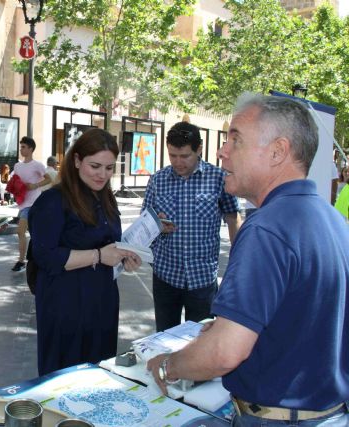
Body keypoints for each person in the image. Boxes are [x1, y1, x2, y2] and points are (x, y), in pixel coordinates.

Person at [147, 93, 349, 426]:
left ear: (277, 151)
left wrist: (168, 365)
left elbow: (226, 352)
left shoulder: (266, 228)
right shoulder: (333, 220)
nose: (222, 151)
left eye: (235, 140)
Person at [30, 129, 142, 376]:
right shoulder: (53, 201)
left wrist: (125, 256)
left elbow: (110, 243)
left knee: (97, 373)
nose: (103, 175)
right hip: (65, 303)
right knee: (64, 377)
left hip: (102, 299)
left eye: (110, 168)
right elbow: (46, 257)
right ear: (77, 160)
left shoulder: (106, 197)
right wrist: (99, 256)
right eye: (95, 166)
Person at [142, 121, 240, 332]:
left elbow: (233, 219)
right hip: (165, 275)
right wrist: (156, 225)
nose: (178, 162)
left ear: (199, 149)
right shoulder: (158, 180)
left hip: (202, 278)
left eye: (185, 156)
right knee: (164, 338)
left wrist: (238, 262)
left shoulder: (219, 179)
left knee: (201, 340)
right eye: (172, 156)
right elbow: (145, 222)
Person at [11, 136, 52, 272]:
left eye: (23, 147)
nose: (21, 149)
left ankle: (22, 261)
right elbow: (16, 182)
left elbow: (48, 179)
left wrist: (35, 185)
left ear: (31, 149)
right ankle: (34, 259)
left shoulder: (38, 165)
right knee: (34, 233)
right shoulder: (17, 166)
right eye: (20, 146)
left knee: (20, 231)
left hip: (34, 204)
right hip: (22, 204)